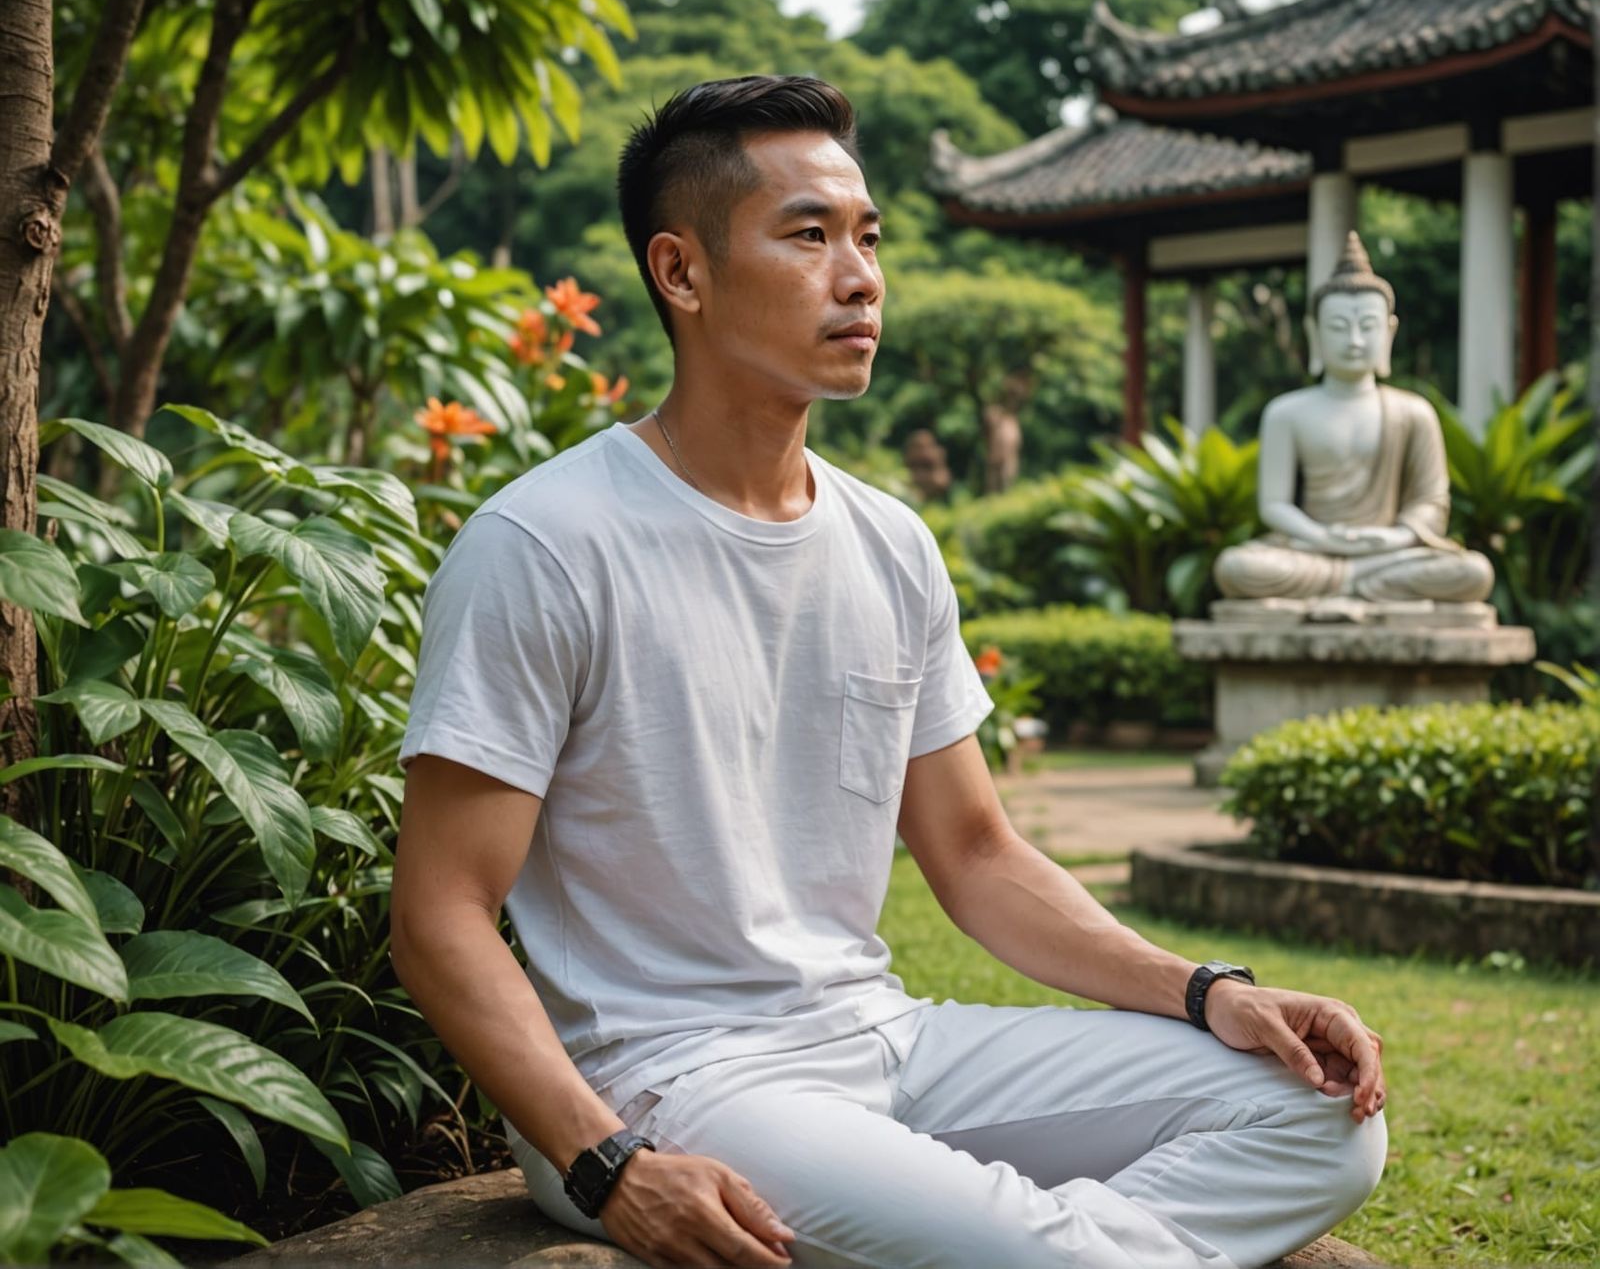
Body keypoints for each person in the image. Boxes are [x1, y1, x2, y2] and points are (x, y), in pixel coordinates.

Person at [390, 75, 1387, 1269]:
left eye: (867, 237)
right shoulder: (544, 544)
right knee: (1052, 1252)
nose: (859, 276)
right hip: (665, 1087)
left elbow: (974, 853)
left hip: (884, 1041)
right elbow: (440, 912)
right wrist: (607, 1164)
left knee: (1317, 1112)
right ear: (681, 272)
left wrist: (1205, 990)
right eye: (808, 235)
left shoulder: (889, 543)